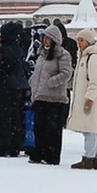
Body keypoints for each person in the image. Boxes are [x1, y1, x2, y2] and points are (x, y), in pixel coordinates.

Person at [28, 24, 73, 165]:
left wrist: (51, 82)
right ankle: (39, 152)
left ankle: (52, 155)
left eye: (48, 38)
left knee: (53, 128)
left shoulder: (63, 54)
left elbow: (67, 73)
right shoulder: (42, 54)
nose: (45, 40)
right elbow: (38, 72)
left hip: (55, 97)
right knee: (39, 127)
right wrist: (33, 83)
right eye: (44, 37)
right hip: (40, 96)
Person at [67, 28, 97, 170]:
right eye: (78, 39)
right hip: (91, 98)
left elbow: (96, 81)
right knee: (95, 128)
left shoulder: (93, 58)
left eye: (81, 40)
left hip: (92, 99)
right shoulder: (87, 56)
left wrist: (89, 99)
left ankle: (89, 158)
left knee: (90, 128)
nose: (79, 43)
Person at [0, 21, 30, 158]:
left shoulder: (2, 51)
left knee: (4, 118)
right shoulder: (19, 50)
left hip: (5, 87)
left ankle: (4, 146)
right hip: (18, 87)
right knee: (16, 117)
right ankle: (15, 145)